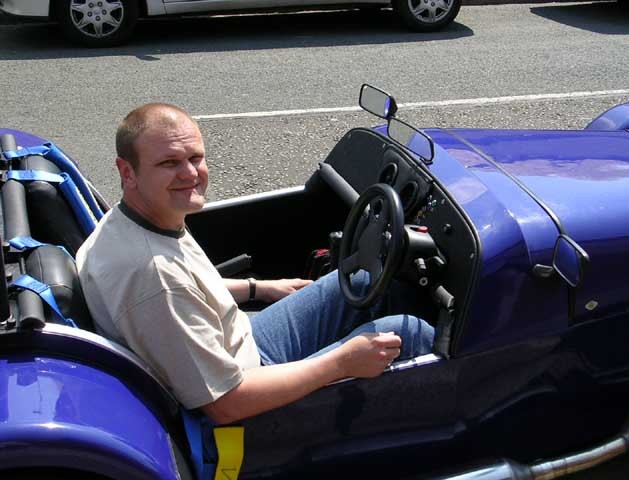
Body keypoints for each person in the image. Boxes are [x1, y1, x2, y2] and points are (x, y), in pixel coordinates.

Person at [77, 103, 434, 425]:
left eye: (195, 158)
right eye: (169, 163)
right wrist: (341, 363)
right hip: (247, 397)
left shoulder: (132, 221)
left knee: (357, 282)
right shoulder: (153, 276)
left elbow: (188, 292)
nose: (190, 174)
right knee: (409, 331)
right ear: (127, 172)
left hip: (236, 345)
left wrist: (258, 288)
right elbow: (226, 405)